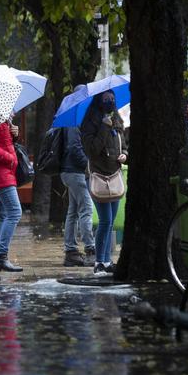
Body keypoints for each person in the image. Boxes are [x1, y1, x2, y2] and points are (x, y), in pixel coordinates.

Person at [80, 90, 127, 275]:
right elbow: (92, 150)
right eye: (106, 99)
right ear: (98, 101)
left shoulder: (116, 119)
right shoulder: (90, 121)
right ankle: (100, 261)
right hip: (99, 176)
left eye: (112, 98)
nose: (110, 101)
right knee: (105, 220)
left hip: (115, 174)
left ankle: (107, 262)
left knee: (111, 221)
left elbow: (123, 143)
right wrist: (104, 127)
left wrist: (125, 154)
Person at [0, 119, 23, 272]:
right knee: (15, 212)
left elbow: (4, 141)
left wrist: (14, 134)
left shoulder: (4, 118)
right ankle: (1, 255)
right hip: (0, 169)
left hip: (5, 169)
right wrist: (10, 158)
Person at [61, 121, 96, 266]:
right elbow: (74, 148)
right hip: (75, 172)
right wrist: (89, 165)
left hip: (70, 171)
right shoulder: (74, 123)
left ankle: (71, 252)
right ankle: (91, 249)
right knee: (86, 209)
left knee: (73, 211)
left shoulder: (72, 122)